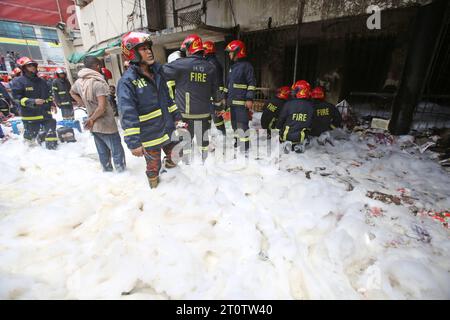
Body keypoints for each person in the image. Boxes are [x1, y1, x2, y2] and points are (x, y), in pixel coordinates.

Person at [118, 31, 182, 188]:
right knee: (153, 168)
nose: (148, 51)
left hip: (168, 129)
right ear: (132, 53)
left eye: (148, 48)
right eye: (142, 48)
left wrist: (177, 117)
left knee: (176, 155)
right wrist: (133, 142)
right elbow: (127, 113)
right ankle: (154, 191)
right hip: (150, 137)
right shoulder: (127, 81)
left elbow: (168, 99)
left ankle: (174, 183)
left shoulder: (158, 73)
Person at [162, 34, 220, 163]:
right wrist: (218, 106)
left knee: (184, 141)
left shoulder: (182, 64)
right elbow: (216, 91)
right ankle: (205, 162)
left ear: (189, 48)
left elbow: (161, 72)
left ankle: (186, 165)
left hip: (185, 115)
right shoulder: (211, 67)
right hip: (205, 114)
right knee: (203, 140)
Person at [70, 56, 126, 172]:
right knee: (117, 151)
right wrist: (92, 119)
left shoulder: (79, 82)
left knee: (102, 152)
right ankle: (122, 173)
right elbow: (101, 108)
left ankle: (107, 172)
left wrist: (82, 103)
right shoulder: (97, 83)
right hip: (106, 124)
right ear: (97, 66)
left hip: (94, 126)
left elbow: (72, 92)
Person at [10, 57, 58, 149]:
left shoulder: (42, 81)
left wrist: (52, 104)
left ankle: (52, 152)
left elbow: (48, 95)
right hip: (30, 116)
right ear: (23, 68)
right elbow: (16, 98)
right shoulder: (18, 81)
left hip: (45, 114)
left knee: (51, 134)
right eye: (29, 66)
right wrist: (33, 101)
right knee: (30, 142)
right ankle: (30, 156)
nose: (32, 68)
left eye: (33, 65)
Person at [224, 40, 256, 153]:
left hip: (242, 104)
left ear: (237, 51)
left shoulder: (247, 66)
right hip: (233, 103)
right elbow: (228, 84)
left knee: (242, 125)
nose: (229, 54)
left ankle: (245, 147)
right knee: (234, 125)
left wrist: (249, 98)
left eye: (231, 52)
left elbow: (251, 83)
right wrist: (225, 97)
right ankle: (238, 142)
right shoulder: (232, 67)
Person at [276, 80, 315, 153]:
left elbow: (281, 119)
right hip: (300, 137)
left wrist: (277, 129)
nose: (294, 92)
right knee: (304, 134)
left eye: (296, 90)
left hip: (286, 135)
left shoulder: (288, 104)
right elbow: (311, 123)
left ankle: (287, 143)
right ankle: (299, 145)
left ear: (302, 91)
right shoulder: (311, 107)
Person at [203, 41, 226, 136]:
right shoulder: (213, 61)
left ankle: (222, 134)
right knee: (212, 114)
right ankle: (220, 133)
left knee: (216, 114)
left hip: (214, 93)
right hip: (215, 92)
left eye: (204, 49)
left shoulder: (211, 63)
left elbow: (214, 81)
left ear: (207, 50)